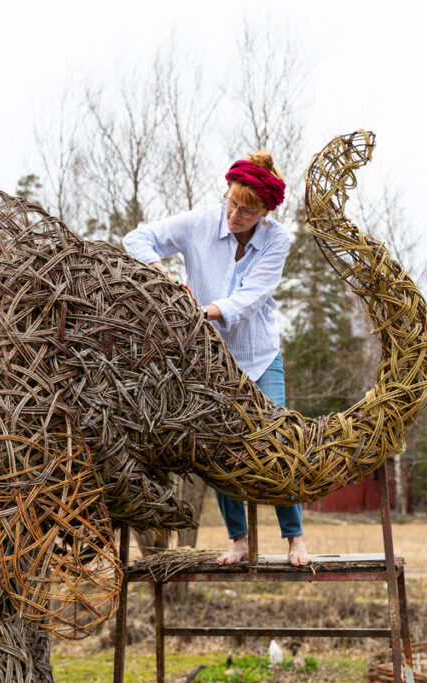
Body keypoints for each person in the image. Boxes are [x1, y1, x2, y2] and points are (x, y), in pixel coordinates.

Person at [122, 151, 311, 567]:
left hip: (260, 358)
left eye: (247, 209)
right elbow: (136, 239)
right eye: (231, 202)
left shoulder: (277, 241)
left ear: (265, 211)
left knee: (276, 443)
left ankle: (295, 538)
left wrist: (200, 311)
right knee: (222, 448)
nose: (235, 214)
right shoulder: (200, 223)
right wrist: (164, 279)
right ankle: (239, 540)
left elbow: (249, 298)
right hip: (210, 361)